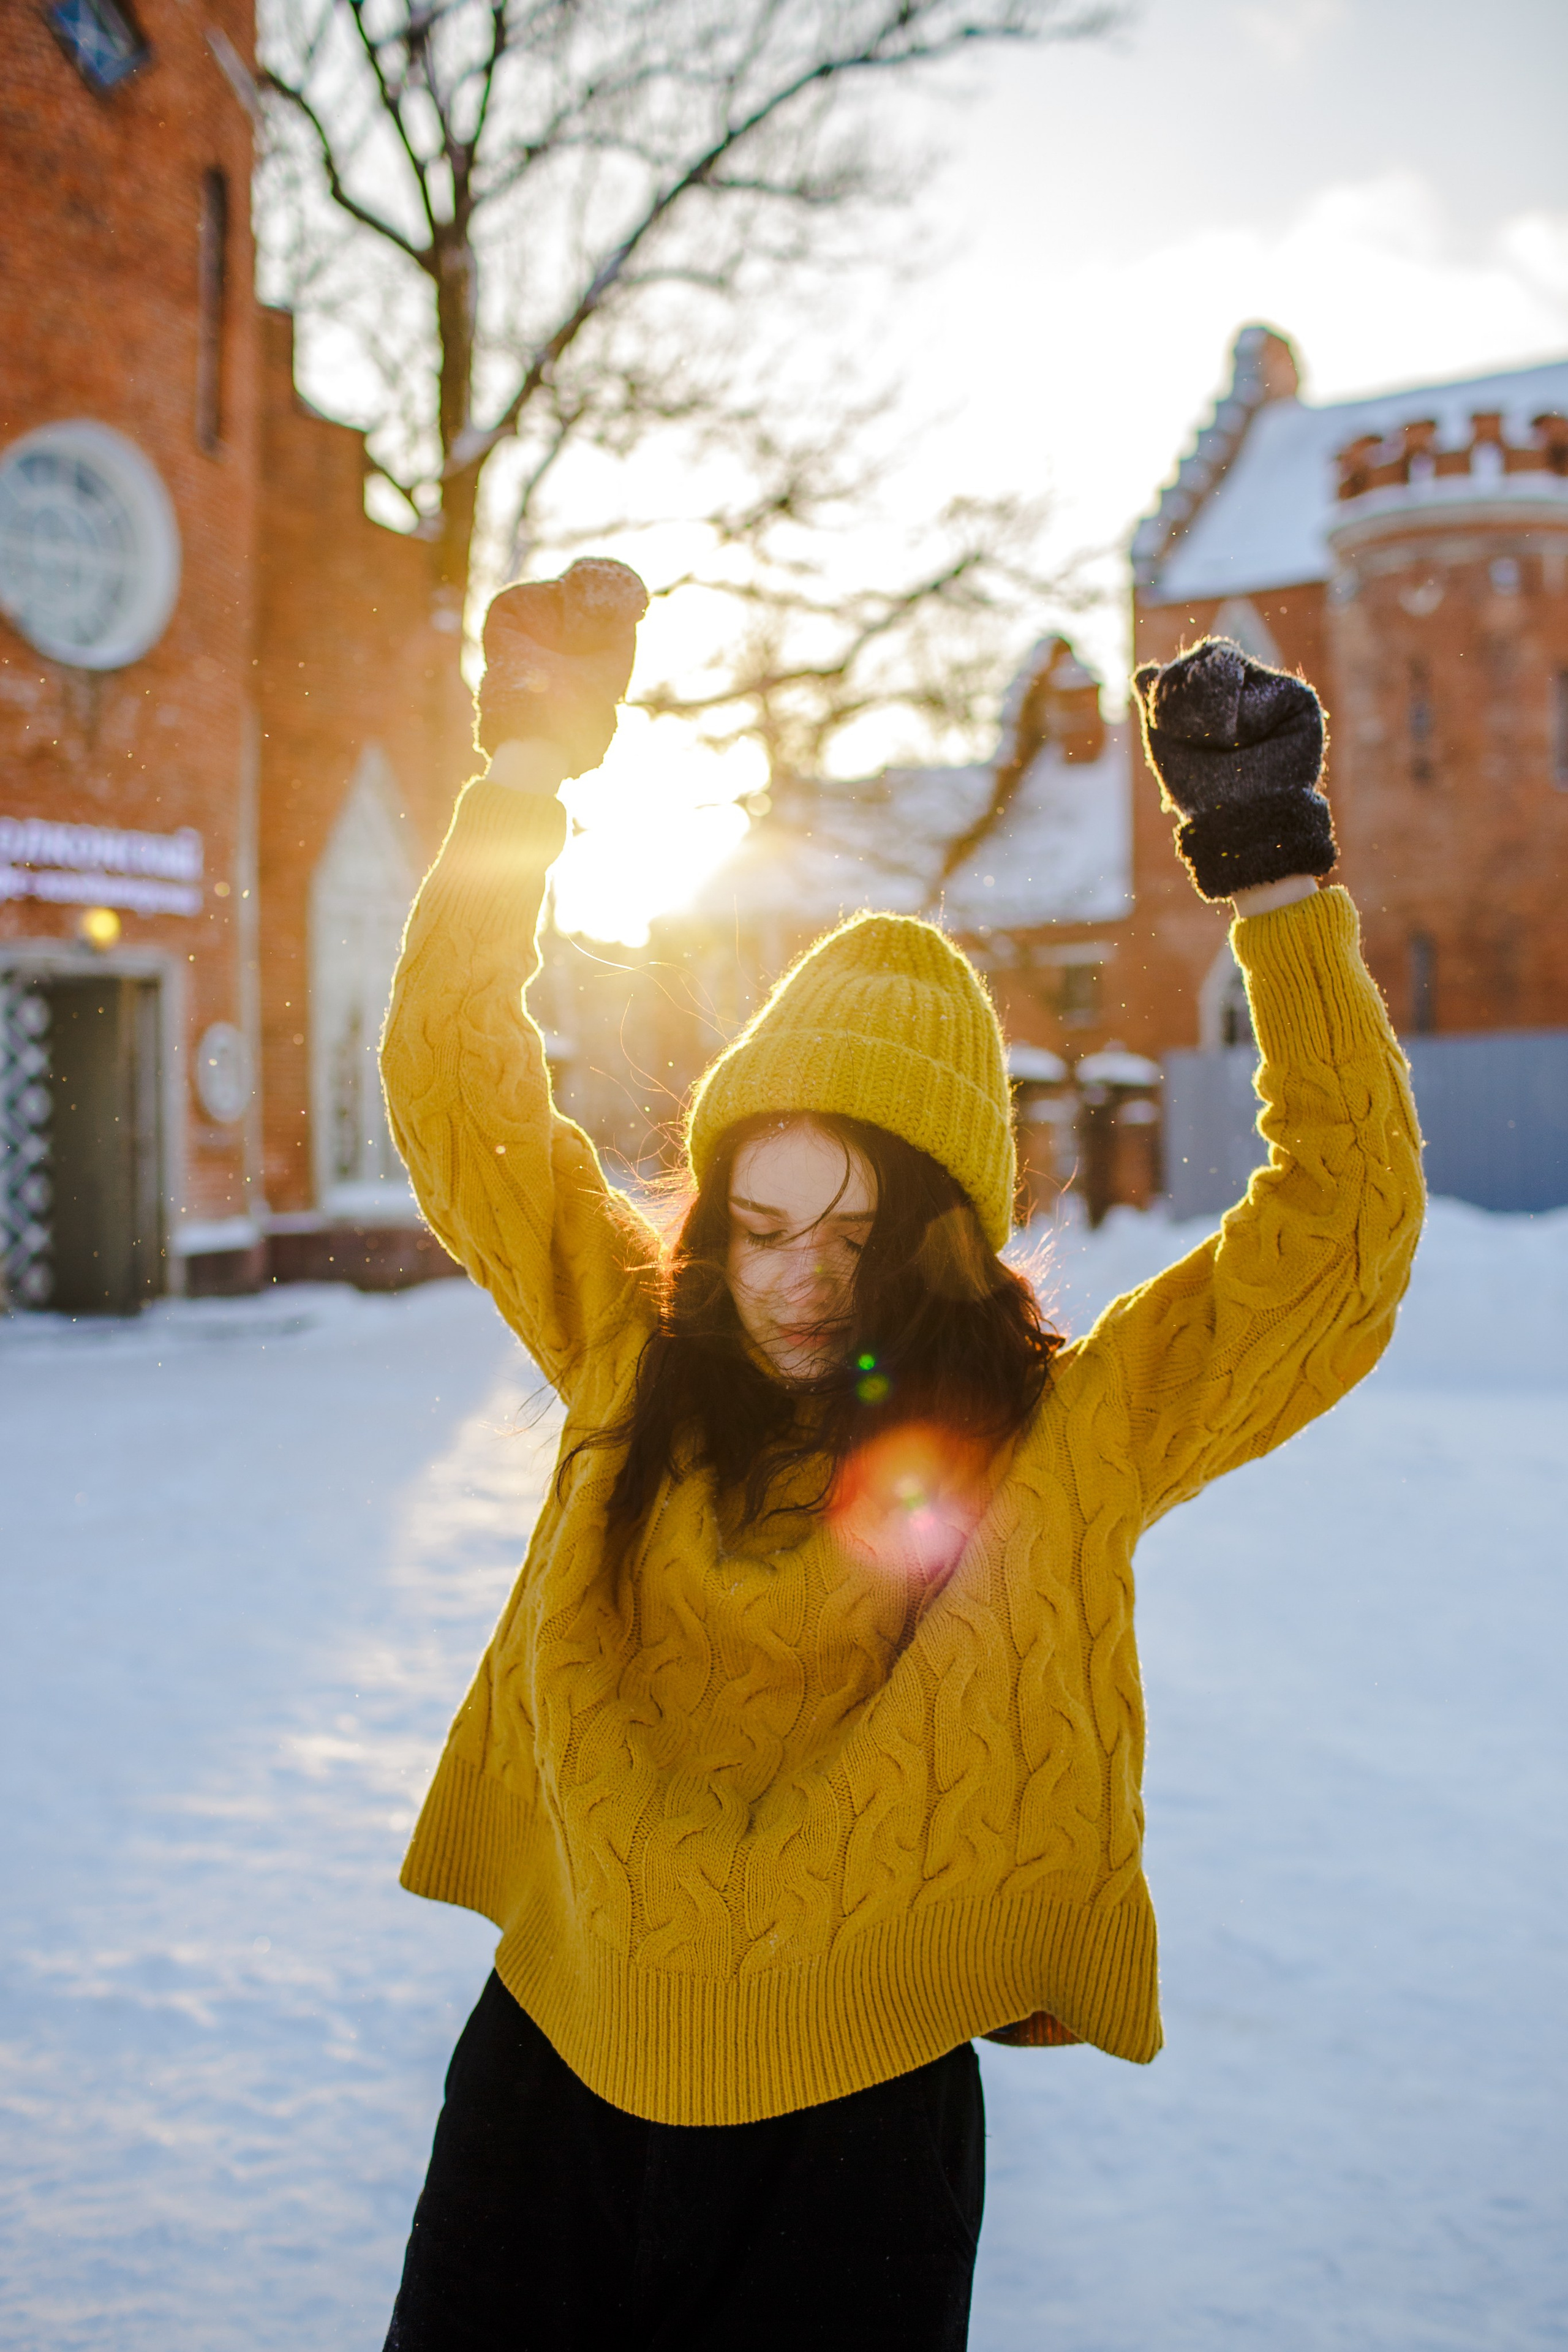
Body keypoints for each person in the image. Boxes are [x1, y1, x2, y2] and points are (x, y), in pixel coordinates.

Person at [377, 561, 1424, 2351]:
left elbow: (1338, 1234)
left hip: (854, 2134)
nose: (795, 1279)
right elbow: (459, 1080)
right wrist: (528, 778)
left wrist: (1278, 889)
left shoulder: (1065, 1438)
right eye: (760, 1222)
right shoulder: (633, 1355)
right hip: (550, 2070)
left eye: (857, 1235)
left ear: (942, 1242)